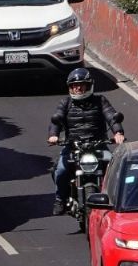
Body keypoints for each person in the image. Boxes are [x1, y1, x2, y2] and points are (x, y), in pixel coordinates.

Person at [48, 67, 126, 215]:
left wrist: (118, 132)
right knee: (61, 170)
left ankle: (116, 199)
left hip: (98, 145)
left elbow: (111, 116)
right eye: (74, 85)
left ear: (89, 85)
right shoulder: (65, 103)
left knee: (114, 169)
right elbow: (56, 120)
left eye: (81, 85)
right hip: (73, 146)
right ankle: (60, 199)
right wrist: (53, 135)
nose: (78, 88)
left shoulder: (100, 100)